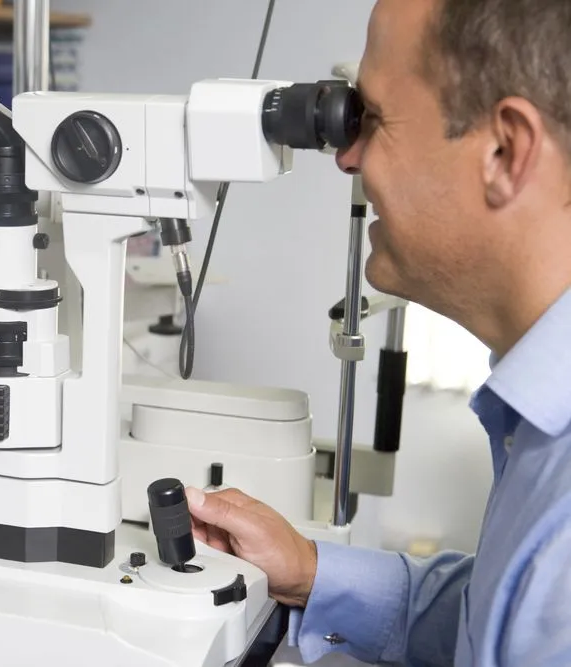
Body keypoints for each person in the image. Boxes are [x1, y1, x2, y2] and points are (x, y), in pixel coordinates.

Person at [185, 0, 571, 665]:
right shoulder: (539, 427)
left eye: (374, 118)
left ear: (505, 151)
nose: (347, 156)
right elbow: (492, 611)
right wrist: (310, 568)